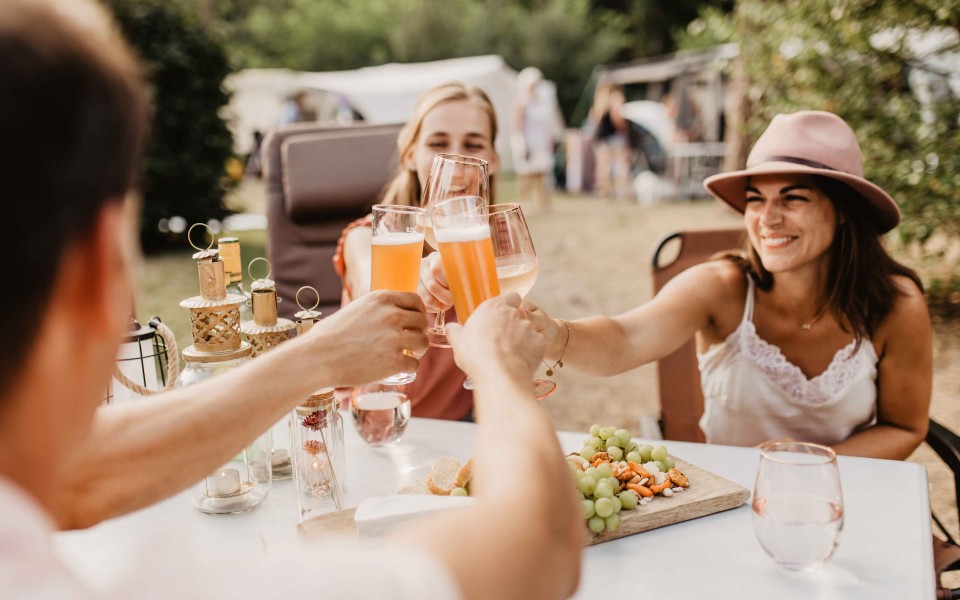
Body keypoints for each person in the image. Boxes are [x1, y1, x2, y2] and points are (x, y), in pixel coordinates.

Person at [0, 3, 585, 598]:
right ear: (101, 274)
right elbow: (545, 543)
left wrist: (316, 358)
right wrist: (503, 369)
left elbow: (78, 475)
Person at [525, 111, 932, 460]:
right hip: (733, 505)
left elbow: (905, 427)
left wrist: (811, 461)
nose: (767, 219)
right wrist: (557, 334)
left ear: (844, 211)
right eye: (756, 199)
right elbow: (625, 340)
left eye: (793, 199)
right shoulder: (721, 287)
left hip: (848, 498)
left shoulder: (895, 304)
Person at [333, 82, 500, 421]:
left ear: (492, 161)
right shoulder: (367, 236)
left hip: (454, 433)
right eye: (437, 144)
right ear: (410, 155)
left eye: (473, 144)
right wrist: (418, 282)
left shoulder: (492, 250)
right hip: (371, 424)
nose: (455, 161)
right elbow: (372, 292)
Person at [511, 67, 560, 213]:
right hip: (527, 142)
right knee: (525, 174)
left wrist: (551, 139)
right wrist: (521, 145)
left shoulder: (544, 101)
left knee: (542, 173)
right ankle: (525, 202)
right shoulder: (521, 101)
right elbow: (516, 125)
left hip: (541, 143)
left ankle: (544, 202)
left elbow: (548, 123)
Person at [589, 82, 631, 199]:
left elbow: (593, 118)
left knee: (603, 167)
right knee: (621, 165)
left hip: (602, 137)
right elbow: (617, 116)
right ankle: (623, 191)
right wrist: (625, 128)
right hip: (615, 136)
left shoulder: (599, 99)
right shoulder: (616, 97)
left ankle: (605, 191)